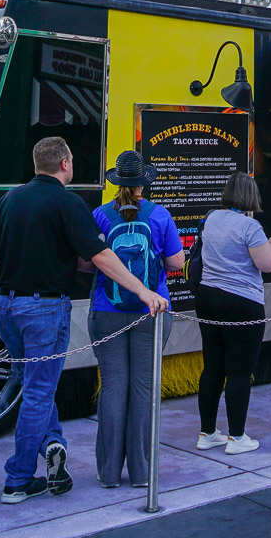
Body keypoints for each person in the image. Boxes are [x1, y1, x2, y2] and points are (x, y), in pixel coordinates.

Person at [0, 137, 167, 504]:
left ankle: (52, 443)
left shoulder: (10, 198)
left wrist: (17, 281)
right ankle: (18, 479)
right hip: (44, 309)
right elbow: (101, 257)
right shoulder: (68, 203)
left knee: (35, 385)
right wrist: (144, 292)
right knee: (38, 391)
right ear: (65, 164)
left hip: (4, 305)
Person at [90, 151, 184, 487]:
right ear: (145, 181)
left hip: (106, 311)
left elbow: (88, 263)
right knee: (143, 389)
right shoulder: (159, 215)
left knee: (113, 387)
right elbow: (175, 262)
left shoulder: (99, 215)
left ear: (117, 182)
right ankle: (142, 472)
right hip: (152, 311)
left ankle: (110, 473)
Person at [193, 173, 271, 454]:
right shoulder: (250, 226)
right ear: (251, 196)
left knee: (213, 367)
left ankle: (207, 433)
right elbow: (268, 264)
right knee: (239, 372)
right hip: (242, 303)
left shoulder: (211, 219)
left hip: (207, 298)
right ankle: (237, 437)